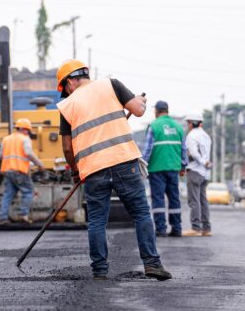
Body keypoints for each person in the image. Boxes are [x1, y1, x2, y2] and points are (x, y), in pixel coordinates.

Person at [56, 59, 171, 281]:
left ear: (69, 81)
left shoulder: (67, 106)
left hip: (92, 170)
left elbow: (67, 148)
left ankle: (99, 270)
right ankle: (152, 264)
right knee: (141, 213)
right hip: (123, 162)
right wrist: (140, 101)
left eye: (65, 89)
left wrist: (74, 170)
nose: (67, 93)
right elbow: (138, 111)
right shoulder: (111, 84)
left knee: (97, 220)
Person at [142, 100, 187, 237]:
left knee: (158, 199)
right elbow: (183, 149)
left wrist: (143, 165)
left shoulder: (154, 126)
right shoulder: (178, 127)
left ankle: (161, 229)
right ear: (167, 110)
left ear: (156, 111)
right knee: (174, 198)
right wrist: (183, 166)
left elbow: (148, 149)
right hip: (174, 168)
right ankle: (177, 228)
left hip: (156, 169)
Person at [0, 118, 45, 224]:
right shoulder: (25, 139)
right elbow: (28, 153)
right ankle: (24, 215)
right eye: (28, 130)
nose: (28, 132)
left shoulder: (6, 139)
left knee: (8, 194)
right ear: (25, 129)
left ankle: (2, 217)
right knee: (28, 191)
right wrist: (40, 165)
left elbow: (1, 155)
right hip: (19, 170)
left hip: (7, 171)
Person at [183, 112, 213, 236]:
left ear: (191, 123)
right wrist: (205, 163)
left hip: (195, 170)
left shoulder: (191, 136)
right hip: (204, 173)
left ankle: (195, 228)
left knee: (194, 201)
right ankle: (206, 228)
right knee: (203, 201)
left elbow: (194, 153)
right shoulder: (206, 135)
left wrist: (202, 162)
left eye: (188, 123)